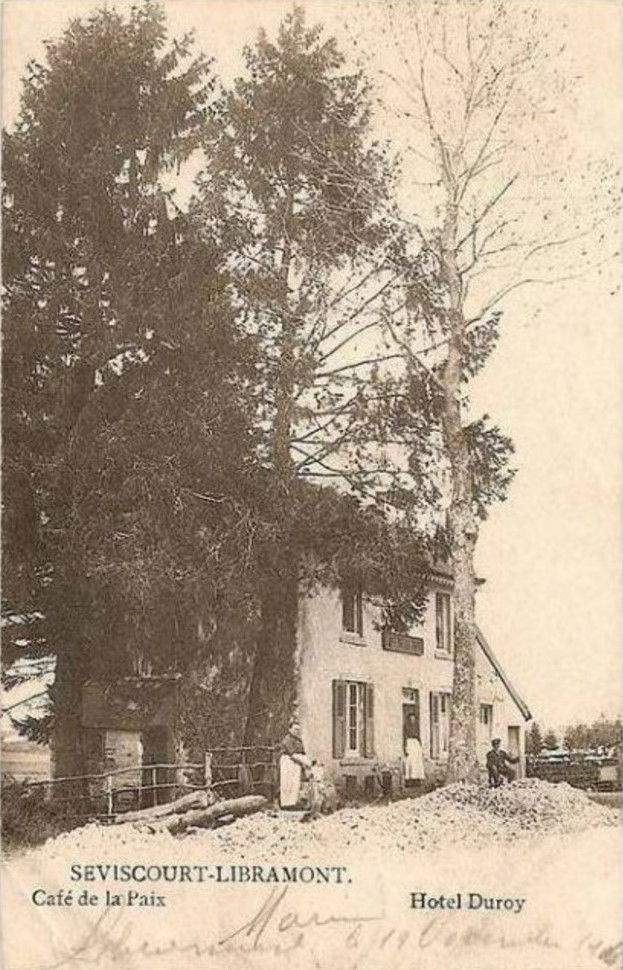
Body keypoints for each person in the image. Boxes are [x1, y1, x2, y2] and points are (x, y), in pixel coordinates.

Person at [279, 720, 311, 809]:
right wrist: (307, 762)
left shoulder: (299, 740)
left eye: (298, 730)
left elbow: (302, 753)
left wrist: (306, 762)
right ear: (290, 729)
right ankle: (285, 804)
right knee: (287, 782)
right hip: (288, 761)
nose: (297, 731)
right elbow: (292, 753)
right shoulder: (287, 739)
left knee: (295, 783)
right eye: (295, 729)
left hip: (297, 762)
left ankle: (292, 803)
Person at [403, 711, 425, 787]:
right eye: (411, 719)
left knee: (417, 762)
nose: (412, 720)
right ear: (408, 719)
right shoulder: (406, 727)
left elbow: (419, 737)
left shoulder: (417, 727)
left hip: (416, 744)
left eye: (413, 719)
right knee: (410, 762)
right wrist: (405, 747)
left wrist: (421, 747)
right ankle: (409, 781)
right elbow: (404, 737)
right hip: (409, 743)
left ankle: (417, 780)